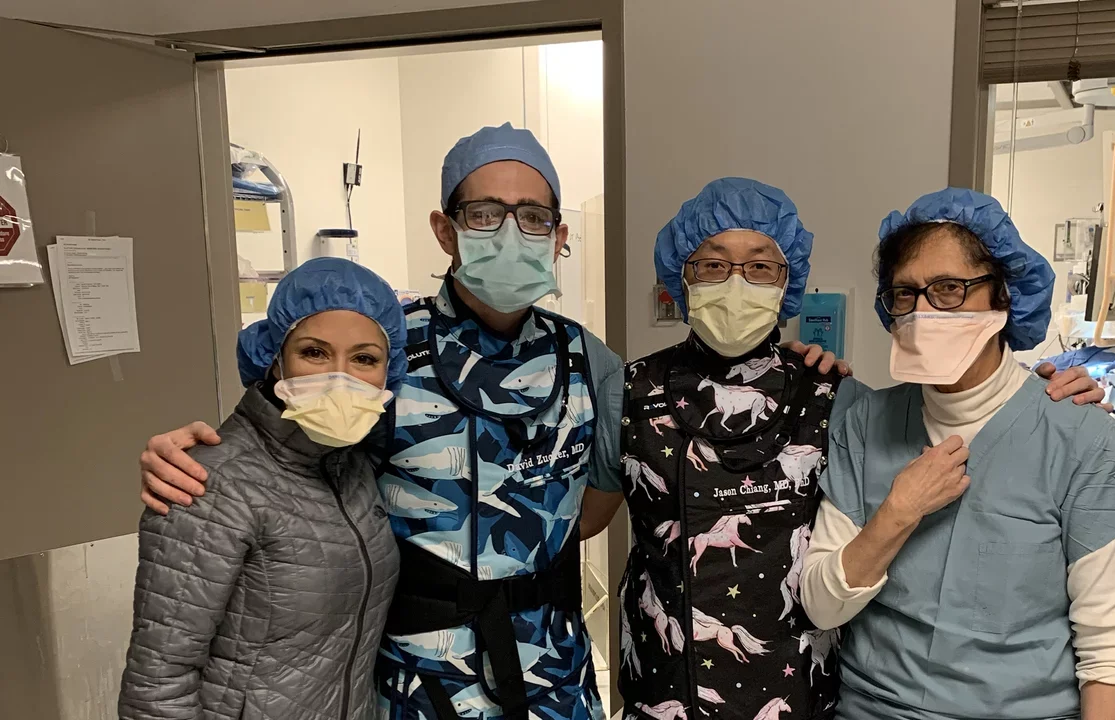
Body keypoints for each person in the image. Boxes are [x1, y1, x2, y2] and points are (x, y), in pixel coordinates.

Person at [136, 127, 843, 720]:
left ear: (558, 235)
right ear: (445, 229)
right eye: (485, 214)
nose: (511, 232)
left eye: (533, 216)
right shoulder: (384, 348)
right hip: (415, 673)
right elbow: (285, 453)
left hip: (553, 670)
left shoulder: (587, 361)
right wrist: (192, 454)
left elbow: (597, 505)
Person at [578, 180, 1108, 720]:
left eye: (761, 266)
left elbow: (1105, 639)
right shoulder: (630, 391)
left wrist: (1050, 399)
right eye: (712, 265)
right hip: (666, 683)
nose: (736, 283)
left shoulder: (837, 399)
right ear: (682, 277)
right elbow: (583, 521)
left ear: (789, 284)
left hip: (798, 689)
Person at [801, 188, 1115, 720]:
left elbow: (1108, 651)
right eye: (906, 294)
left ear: (1004, 295)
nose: (924, 310)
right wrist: (897, 513)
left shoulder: (1079, 435)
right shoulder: (864, 423)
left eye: (950, 289)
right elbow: (821, 604)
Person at [118, 257, 407, 720]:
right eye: (314, 352)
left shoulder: (353, 466)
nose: (340, 377)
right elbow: (157, 685)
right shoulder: (210, 483)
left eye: (365, 359)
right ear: (274, 357)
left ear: (389, 372)